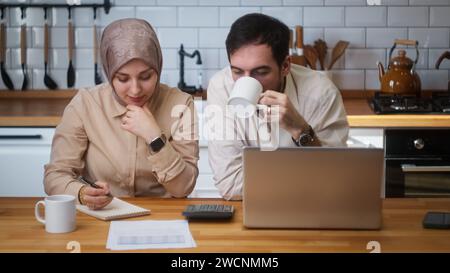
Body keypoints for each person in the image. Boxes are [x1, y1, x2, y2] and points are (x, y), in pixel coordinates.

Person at [44, 18, 199, 210]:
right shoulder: (85, 104)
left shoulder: (181, 105)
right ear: (109, 73)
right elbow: (55, 176)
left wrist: (154, 138)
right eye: (123, 78)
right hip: (100, 218)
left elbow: (183, 187)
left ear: (158, 68)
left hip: (162, 217)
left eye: (145, 77)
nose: (135, 90)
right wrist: (82, 194)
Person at [207, 13, 349, 200]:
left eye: (261, 71)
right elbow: (231, 185)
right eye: (237, 71)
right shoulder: (221, 88)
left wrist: (301, 131)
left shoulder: (321, 93)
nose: (246, 81)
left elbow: (336, 180)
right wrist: (305, 177)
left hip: (313, 207)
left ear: (285, 66)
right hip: (248, 211)